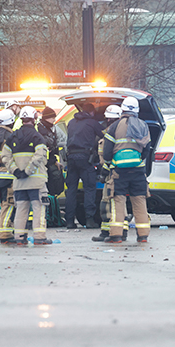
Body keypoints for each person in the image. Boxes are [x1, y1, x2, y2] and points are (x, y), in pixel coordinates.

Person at [102, 96, 152, 243]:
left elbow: (106, 151)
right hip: (138, 170)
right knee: (140, 202)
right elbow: (147, 148)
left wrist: (108, 163)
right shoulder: (143, 125)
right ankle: (143, 235)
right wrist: (139, 160)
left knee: (118, 201)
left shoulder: (115, 126)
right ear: (137, 110)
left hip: (119, 171)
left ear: (122, 109)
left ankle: (116, 235)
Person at [1, 106, 51, 245]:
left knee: (21, 210)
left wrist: (15, 171)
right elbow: (39, 155)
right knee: (38, 208)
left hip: (19, 182)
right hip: (36, 182)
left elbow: (5, 156)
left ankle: (19, 238)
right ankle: (40, 237)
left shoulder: (12, 136)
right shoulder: (37, 137)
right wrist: (28, 171)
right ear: (34, 119)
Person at [64, 103, 104, 229]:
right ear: (92, 113)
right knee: (89, 189)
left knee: (71, 190)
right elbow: (105, 136)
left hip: (71, 158)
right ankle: (90, 219)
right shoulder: (92, 122)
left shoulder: (71, 122)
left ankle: (69, 221)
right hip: (86, 158)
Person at [92, 105, 124, 242]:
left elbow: (109, 154)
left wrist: (105, 170)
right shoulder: (116, 131)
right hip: (115, 171)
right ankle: (113, 231)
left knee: (110, 201)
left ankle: (111, 232)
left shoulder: (113, 133)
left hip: (112, 172)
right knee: (113, 202)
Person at [0, 109, 17, 244]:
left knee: (3, 203)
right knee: (9, 204)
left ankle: (7, 230)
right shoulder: (11, 136)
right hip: (10, 174)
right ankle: (6, 233)